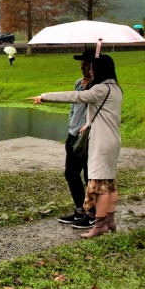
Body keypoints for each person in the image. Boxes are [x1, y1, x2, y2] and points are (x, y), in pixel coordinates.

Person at [29, 53, 123, 238]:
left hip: (101, 142)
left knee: (99, 184)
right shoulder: (116, 88)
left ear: (98, 70)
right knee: (109, 183)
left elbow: (74, 96)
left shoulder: (100, 90)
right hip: (113, 140)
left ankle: (99, 224)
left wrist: (45, 96)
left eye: (92, 67)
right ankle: (109, 220)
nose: (88, 70)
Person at [56, 49, 95, 229]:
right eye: (82, 63)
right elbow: (74, 107)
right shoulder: (79, 84)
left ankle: (91, 213)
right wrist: (71, 125)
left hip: (89, 136)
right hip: (74, 135)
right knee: (71, 173)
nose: (82, 66)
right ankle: (80, 209)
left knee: (89, 175)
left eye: (85, 63)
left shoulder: (99, 87)